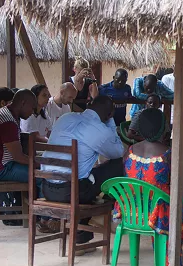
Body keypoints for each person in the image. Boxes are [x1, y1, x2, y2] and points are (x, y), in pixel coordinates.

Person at [115, 108, 183, 266]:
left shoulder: (129, 152)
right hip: (160, 214)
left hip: (132, 212)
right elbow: (180, 190)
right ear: (163, 128)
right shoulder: (168, 154)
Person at [41, 96, 126, 245]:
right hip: (72, 193)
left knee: (88, 174)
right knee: (118, 164)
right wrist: (111, 123)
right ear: (109, 114)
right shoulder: (100, 130)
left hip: (47, 188)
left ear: (89, 104)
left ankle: (81, 230)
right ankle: (92, 223)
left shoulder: (65, 118)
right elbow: (119, 151)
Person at [0, 89, 36, 182]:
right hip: (0, 170)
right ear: (23, 103)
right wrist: (40, 164)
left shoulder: (8, 112)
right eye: (32, 108)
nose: (33, 112)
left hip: (0, 166)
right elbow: (18, 157)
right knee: (43, 176)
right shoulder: (8, 121)